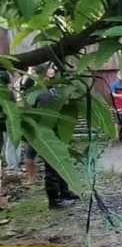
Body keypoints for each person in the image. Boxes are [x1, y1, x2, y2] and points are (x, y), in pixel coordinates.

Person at [31, 63, 80, 209]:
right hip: (48, 131)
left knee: (62, 161)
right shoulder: (42, 91)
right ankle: (54, 199)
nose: (54, 70)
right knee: (52, 165)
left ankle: (64, 192)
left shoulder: (52, 88)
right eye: (51, 68)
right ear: (45, 72)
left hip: (57, 130)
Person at [0, 69, 21, 174]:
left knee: (9, 143)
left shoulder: (6, 93)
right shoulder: (9, 93)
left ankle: (12, 165)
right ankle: (14, 164)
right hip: (10, 117)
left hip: (6, 118)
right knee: (13, 141)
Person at [19, 67, 37, 184]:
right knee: (30, 151)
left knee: (30, 151)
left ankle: (31, 178)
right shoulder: (30, 83)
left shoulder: (25, 81)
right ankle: (31, 177)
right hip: (33, 120)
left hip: (31, 119)